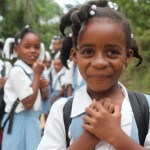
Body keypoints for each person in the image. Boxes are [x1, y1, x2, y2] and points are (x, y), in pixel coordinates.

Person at [37, 0, 150, 150]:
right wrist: (91, 135)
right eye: (88, 52)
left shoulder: (145, 107)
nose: (99, 63)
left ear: (127, 56)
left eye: (112, 52)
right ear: (75, 56)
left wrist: (115, 136)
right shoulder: (62, 110)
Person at [1, 26, 48, 150]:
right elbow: (28, 103)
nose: (33, 51)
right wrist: (37, 75)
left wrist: (42, 89)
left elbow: (41, 99)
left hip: (31, 120)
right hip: (19, 121)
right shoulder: (18, 71)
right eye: (27, 47)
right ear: (16, 50)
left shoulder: (32, 71)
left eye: (36, 47)